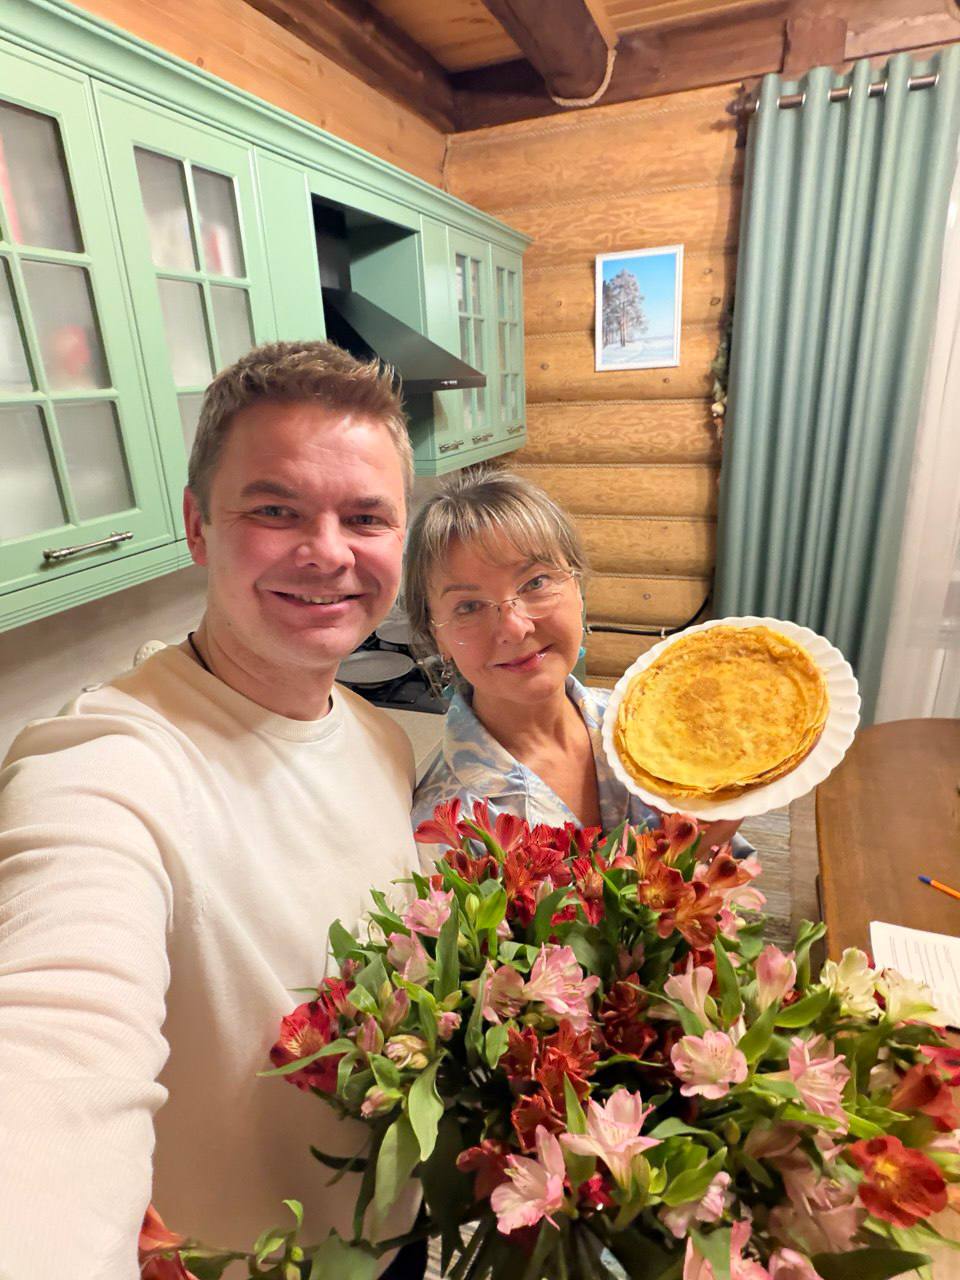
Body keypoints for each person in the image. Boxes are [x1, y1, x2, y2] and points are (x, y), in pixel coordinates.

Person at [0, 342, 425, 1279]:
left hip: (396, 1232)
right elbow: (51, 1052)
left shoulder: (381, 740)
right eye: (275, 510)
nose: (328, 552)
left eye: (366, 517)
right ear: (197, 527)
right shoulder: (105, 764)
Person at [406, 466, 749, 858]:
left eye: (535, 582)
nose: (515, 627)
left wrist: (711, 832)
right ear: (437, 636)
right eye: (469, 606)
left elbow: (731, 877)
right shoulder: (450, 830)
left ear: (577, 587)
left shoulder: (642, 730)